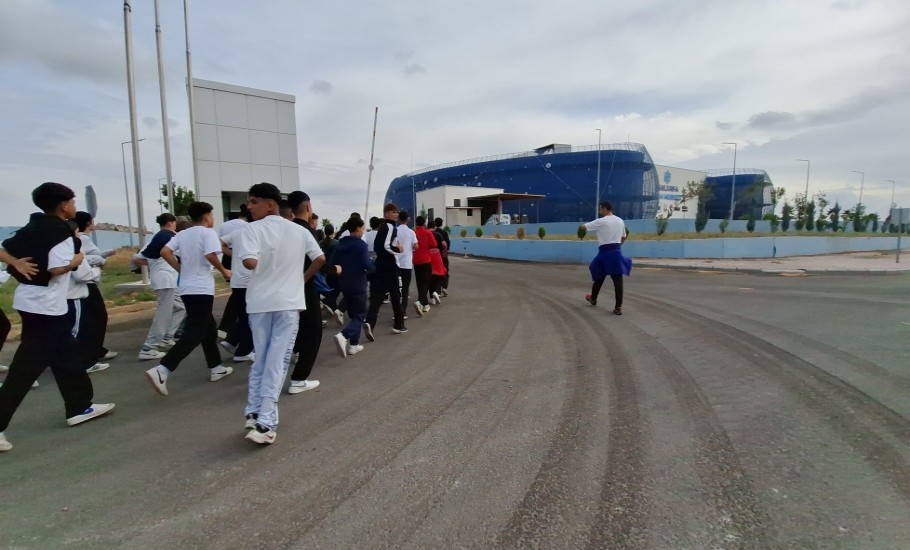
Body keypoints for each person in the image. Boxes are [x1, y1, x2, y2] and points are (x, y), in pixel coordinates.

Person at [0, 182, 115, 452]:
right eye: (72, 202)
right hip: (46, 306)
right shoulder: (62, 231)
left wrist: (14, 262)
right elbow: (57, 269)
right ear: (63, 205)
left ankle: (79, 407)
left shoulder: (31, 227)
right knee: (25, 369)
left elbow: (5, 248)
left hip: (33, 301)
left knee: (67, 356)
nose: (75, 206)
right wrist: (76, 261)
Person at [236, 183, 325, 445]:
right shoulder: (299, 231)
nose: (249, 207)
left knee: (262, 359)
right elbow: (319, 258)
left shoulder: (251, 230)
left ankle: (256, 414)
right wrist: (300, 279)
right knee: (276, 361)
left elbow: (249, 261)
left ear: (270, 205)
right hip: (287, 302)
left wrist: (261, 263)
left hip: (260, 303)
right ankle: (264, 421)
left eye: (253, 202)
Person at [145, 201, 233, 396]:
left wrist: (180, 269)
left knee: (208, 327)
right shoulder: (208, 233)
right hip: (201, 288)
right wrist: (224, 270)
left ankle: (216, 367)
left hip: (186, 287)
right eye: (212, 215)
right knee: (195, 331)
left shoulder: (182, 234)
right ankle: (163, 369)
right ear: (206, 216)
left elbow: (164, 252)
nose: (213, 219)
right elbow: (210, 254)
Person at [286, 191, 329, 395]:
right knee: (313, 331)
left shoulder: (286, 229)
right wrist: (336, 270)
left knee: (293, 328)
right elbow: (319, 260)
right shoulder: (305, 231)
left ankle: (294, 356)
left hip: (284, 286)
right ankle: (299, 378)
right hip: (303, 286)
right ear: (309, 207)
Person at [136, 213, 185, 361]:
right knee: (163, 314)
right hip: (166, 280)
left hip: (165, 280)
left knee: (181, 307)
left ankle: (167, 337)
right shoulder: (170, 236)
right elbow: (184, 253)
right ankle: (149, 347)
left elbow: (137, 258)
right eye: (175, 223)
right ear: (170, 223)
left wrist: (154, 264)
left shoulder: (157, 237)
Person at [73, 211, 117, 363]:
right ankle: (92, 352)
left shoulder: (84, 238)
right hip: (87, 282)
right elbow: (84, 258)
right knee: (97, 317)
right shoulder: (82, 239)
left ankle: (93, 350)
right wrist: (99, 264)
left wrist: (106, 254)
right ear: (88, 223)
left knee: (92, 318)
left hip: (87, 281)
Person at [331, 217, 374, 358]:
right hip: (358, 283)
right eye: (362, 228)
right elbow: (367, 265)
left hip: (344, 283)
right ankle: (344, 335)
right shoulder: (361, 245)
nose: (363, 231)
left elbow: (333, 263)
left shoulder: (340, 245)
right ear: (357, 228)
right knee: (360, 315)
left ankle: (354, 345)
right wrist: (375, 265)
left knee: (353, 315)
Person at [582, 201, 632, 315]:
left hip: (604, 253)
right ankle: (618, 307)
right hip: (616, 252)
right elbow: (624, 236)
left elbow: (584, 227)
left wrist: (581, 227)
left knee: (599, 275)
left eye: (601, 209)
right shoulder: (620, 220)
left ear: (605, 208)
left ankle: (593, 299)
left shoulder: (601, 221)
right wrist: (618, 245)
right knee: (618, 281)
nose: (600, 211)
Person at [365, 203, 406, 336]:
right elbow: (385, 246)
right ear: (386, 214)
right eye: (393, 212)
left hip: (380, 265)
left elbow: (378, 247)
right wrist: (397, 249)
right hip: (389, 266)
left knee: (377, 297)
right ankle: (398, 325)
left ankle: (369, 323)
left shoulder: (382, 227)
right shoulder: (390, 227)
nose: (396, 214)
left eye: (397, 212)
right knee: (395, 296)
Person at [219, 223, 255, 363]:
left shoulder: (238, 231)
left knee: (244, 315)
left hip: (237, 279)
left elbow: (220, 243)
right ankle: (243, 351)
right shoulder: (258, 232)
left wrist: (233, 254)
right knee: (252, 317)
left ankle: (232, 340)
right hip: (250, 280)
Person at [412, 216, 436, 316]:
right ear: (424, 223)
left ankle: (425, 304)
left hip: (416, 260)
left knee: (419, 282)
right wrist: (427, 246)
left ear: (416, 223)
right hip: (426, 259)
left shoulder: (413, 233)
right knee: (426, 281)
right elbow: (434, 244)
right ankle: (420, 301)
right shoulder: (428, 233)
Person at [395, 211, 417, 316]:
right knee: (405, 288)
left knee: (395, 288)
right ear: (408, 219)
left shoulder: (394, 231)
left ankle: (396, 312)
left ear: (398, 219)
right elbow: (416, 246)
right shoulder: (411, 232)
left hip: (396, 263)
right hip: (407, 264)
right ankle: (402, 312)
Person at [218, 204, 250, 271]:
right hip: (241, 255)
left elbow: (219, 243)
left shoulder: (224, 225)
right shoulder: (248, 226)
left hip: (226, 256)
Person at [434, 218, 451, 296]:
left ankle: (438, 290)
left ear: (435, 223)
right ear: (441, 224)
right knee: (445, 270)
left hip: (435, 255)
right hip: (443, 255)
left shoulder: (433, 233)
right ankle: (444, 287)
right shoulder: (444, 233)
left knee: (437, 272)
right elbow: (448, 243)